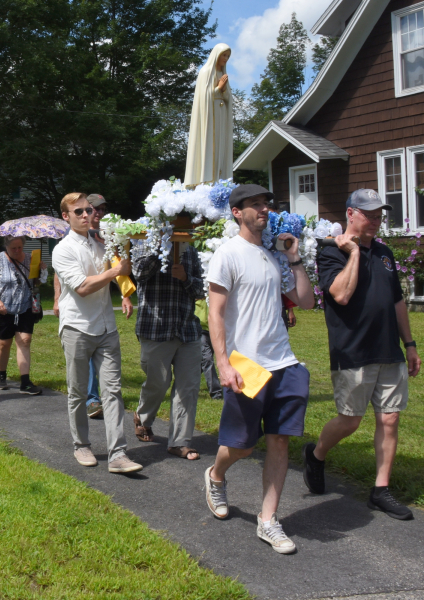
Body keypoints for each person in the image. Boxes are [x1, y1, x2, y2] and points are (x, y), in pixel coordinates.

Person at [204, 184, 315, 554]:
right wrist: (223, 362)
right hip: (246, 364)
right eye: (255, 205)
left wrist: (295, 258)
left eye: (266, 204)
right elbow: (215, 313)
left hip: (283, 361)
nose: (264, 209)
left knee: (279, 440)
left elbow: (306, 302)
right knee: (242, 446)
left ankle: (267, 520)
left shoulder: (271, 255)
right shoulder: (227, 254)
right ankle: (216, 475)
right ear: (237, 212)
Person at [303, 189, 422, 520]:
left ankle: (380, 490)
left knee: (391, 417)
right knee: (350, 421)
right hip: (353, 349)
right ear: (351, 214)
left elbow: (397, 301)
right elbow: (340, 294)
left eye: (379, 214)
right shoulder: (330, 252)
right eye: (369, 214)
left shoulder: (385, 254)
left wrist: (409, 344)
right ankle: (317, 453)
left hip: (389, 349)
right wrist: (353, 252)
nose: (376, 220)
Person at [52, 192, 141, 474]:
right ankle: (81, 444)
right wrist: (115, 271)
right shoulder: (62, 249)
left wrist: (124, 291)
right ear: (66, 216)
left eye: (88, 210)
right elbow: (82, 287)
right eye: (77, 211)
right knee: (78, 392)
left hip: (106, 327)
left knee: (112, 391)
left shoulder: (101, 243)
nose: (85, 215)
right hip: (77, 326)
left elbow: (120, 271)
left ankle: (118, 454)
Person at [131, 241, 204, 460]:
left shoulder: (191, 248)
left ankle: (179, 442)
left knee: (188, 388)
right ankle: (143, 418)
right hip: (155, 329)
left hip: (187, 330)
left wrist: (185, 278)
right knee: (158, 382)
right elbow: (138, 273)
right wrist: (161, 249)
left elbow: (202, 289)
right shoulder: (145, 240)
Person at [0, 235, 45, 395]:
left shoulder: (31, 259)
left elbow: (37, 283)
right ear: (6, 246)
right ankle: (1, 374)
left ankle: (25, 382)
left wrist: (41, 270)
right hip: (3, 308)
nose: (17, 251)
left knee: (25, 341)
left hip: (25, 307)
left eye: (19, 247)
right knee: (4, 343)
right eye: (13, 248)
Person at [185, 43, 233, 187]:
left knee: (220, 145)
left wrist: (224, 91)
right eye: (224, 55)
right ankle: (206, 179)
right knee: (209, 144)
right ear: (216, 55)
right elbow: (203, 97)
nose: (226, 58)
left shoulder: (223, 75)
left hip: (221, 114)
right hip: (208, 117)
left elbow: (229, 98)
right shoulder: (206, 72)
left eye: (228, 56)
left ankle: (220, 180)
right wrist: (218, 88)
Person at [195, 299, 224, 399]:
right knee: (207, 360)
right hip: (200, 330)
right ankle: (216, 393)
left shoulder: (214, 291)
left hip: (214, 330)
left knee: (200, 364)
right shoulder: (198, 289)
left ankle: (185, 383)